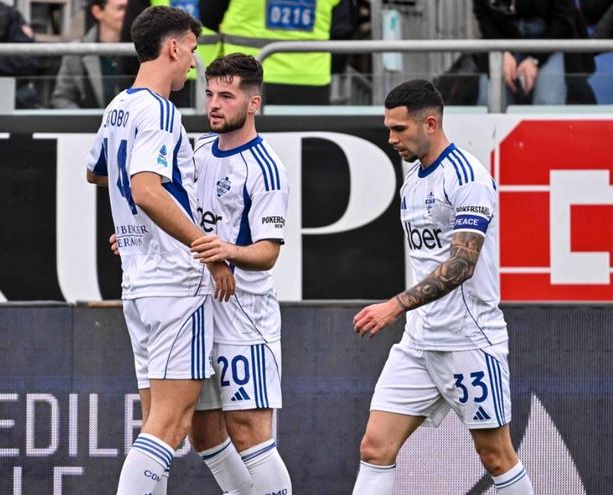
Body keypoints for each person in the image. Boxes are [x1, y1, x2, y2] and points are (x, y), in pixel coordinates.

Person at [351, 80, 533, 494]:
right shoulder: (413, 182)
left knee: (495, 455)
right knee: (375, 447)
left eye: (400, 129)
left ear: (430, 124)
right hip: (419, 341)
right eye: (388, 128)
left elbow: (462, 264)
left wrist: (396, 305)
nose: (391, 138)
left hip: (468, 340)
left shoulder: (468, 178)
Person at [85, 6, 235, 494]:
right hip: (175, 280)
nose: (193, 61)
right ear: (172, 47)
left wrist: (133, 221)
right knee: (168, 427)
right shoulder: (160, 109)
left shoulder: (119, 106)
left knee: (158, 423)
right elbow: (146, 188)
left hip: (139, 283)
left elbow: (97, 171)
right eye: (192, 48)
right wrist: (206, 248)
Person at [190, 53, 292, 495]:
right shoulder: (196, 151)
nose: (214, 104)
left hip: (243, 314)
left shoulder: (266, 167)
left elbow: (268, 252)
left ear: (253, 103)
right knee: (202, 432)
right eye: (210, 93)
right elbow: (178, 216)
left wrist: (227, 251)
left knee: (248, 429)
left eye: (227, 96)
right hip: (196, 309)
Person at [202, 0, 341, 105]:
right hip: (310, 80)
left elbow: (208, 16)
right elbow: (342, 29)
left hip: (245, 78)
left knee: (243, 135)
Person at [472, 0, 582, 106]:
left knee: (547, 101)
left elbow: (563, 19)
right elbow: (483, 15)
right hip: (503, 39)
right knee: (490, 100)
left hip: (549, 40)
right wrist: (503, 51)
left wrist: (535, 59)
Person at [51, 0, 131, 109]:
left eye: (129, 8)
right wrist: (84, 118)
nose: (128, 13)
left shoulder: (140, 48)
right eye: (120, 8)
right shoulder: (77, 52)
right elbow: (62, 98)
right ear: (97, 12)